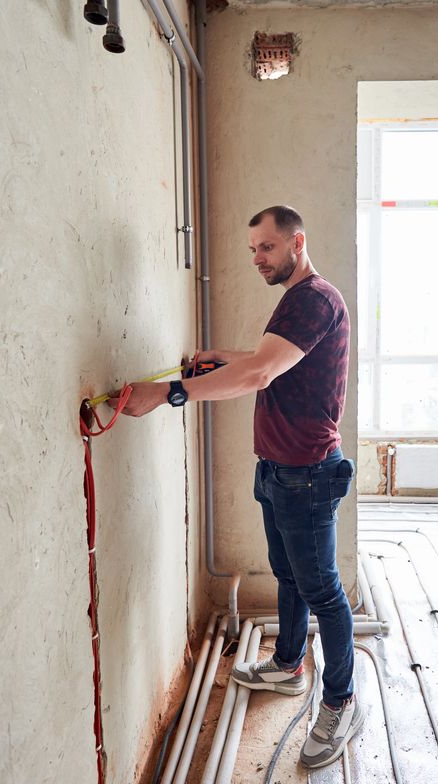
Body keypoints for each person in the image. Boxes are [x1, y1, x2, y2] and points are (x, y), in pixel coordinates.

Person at [110, 205, 360, 769]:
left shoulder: (314, 298)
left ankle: (342, 702)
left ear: (297, 241)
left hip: (307, 474)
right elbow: (269, 361)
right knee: (290, 574)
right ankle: (289, 665)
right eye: (252, 250)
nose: (257, 259)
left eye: (266, 248)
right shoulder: (296, 300)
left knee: (323, 591)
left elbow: (260, 374)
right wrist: (228, 356)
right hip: (276, 469)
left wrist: (171, 393)